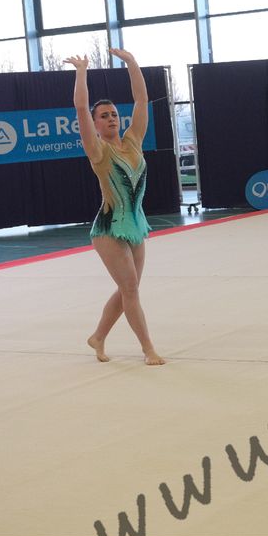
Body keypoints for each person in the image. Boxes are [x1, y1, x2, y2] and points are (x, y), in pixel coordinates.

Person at [67, 48, 165, 365]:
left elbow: (141, 100)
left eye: (113, 114)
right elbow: (80, 108)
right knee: (131, 289)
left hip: (135, 223)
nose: (111, 118)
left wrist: (132, 63)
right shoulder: (97, 150)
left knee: (128, 290)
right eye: (104, 116)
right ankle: (148, 349)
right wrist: (82, 71)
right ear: (95, 124)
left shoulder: (133, 140)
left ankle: (98, 337)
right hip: (109, 228)